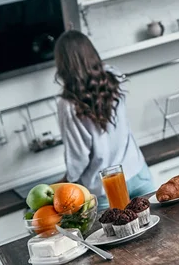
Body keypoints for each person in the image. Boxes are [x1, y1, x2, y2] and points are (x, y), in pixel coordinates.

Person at [54, 30, 154, 209]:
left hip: (103, 189)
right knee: (157, 228)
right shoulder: (113, 78)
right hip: (137, 173)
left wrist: (66, 181)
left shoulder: (67, 104)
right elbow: (101, 69)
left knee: (118, 236)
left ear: (62, 65)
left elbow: (78, 158)